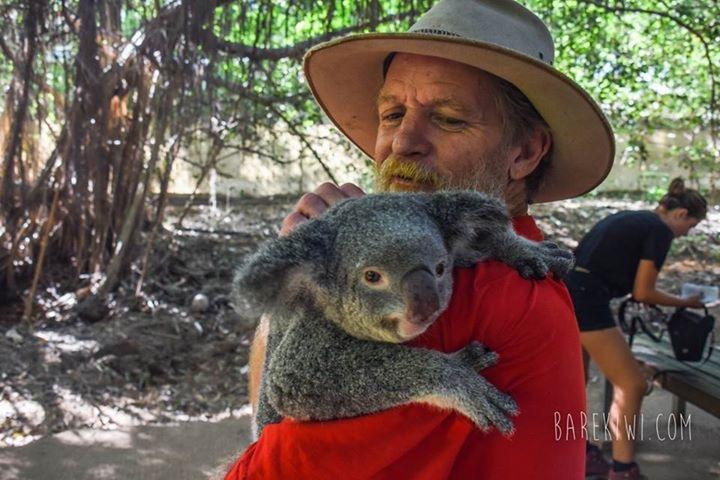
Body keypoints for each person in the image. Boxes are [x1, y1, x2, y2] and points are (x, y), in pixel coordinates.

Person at [224, 0, 615, 478]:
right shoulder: (511, 255)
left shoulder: (456, 301)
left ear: (526, 152)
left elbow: (272, 457)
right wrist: (308, 275)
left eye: (448, 119)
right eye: (391, 114)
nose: (402, 141)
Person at [566, 177, 707, 480]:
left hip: (567, 292)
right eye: (691, 226)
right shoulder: (659, 231)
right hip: (588, 298)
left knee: (577, 381)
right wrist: (686, 302)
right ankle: (623, 468)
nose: (685, 235)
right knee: (632, 384)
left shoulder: (634, 219)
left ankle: (582, 453)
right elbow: (644, 291)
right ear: (680, 215)